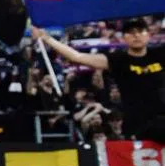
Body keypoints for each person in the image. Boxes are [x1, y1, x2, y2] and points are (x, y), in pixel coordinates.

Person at [33, 20, 165, 141]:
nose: (136, 35)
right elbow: (77, 56)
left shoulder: (160, 54)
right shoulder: (117, 59)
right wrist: (47, 38)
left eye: (141, 31)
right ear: (124, 38)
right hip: (136, 121)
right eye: (131, 32)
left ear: (149, 35)